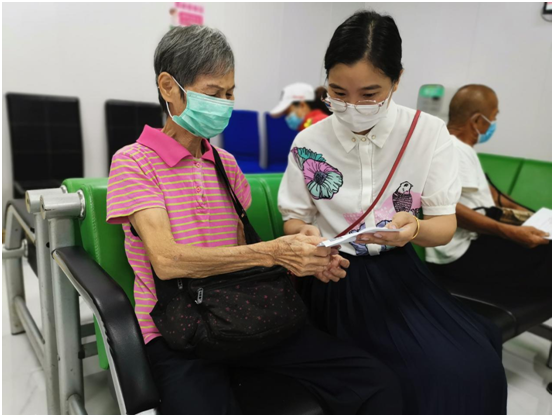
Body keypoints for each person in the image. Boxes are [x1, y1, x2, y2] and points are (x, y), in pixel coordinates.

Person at [106, 25, 403, 415]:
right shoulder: (134, 161)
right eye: (214, 93)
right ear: (168, 87)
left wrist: (307, 258)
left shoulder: (225, 165)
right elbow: (166, 260)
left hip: (245, 314)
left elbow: (248, 252)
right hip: (181, 331)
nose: (226, 103)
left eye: (230, 93)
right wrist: (274, 253)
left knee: (375, 383)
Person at [278, 11, 508, 415]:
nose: (351, 107)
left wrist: (413, 228)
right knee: (427, 375)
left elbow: (443, 226)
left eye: (369, 94)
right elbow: (295, 220)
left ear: (397, 80)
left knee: (478, 359)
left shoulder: (427, 133)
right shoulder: (307, 143)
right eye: (337, 93)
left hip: (400, 274)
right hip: (336, 279)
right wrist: (310, 246)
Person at [425, 84, 551, 289]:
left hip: (474, 243)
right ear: (476, 121)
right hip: (461, 254)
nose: (493, 123)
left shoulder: (458, 148)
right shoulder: (453, 150)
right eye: (493, 116)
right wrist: (508, 231)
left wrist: (534, 216)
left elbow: (493, 195)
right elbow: (449, 208)